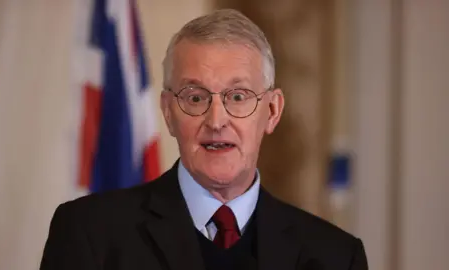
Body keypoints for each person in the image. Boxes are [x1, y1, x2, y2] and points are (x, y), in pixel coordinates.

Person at [40, 9, 368, 270]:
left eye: (238, 97)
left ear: (272, 111)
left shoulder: (335, 256)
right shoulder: (90, 234)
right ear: (168, 112)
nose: (216, 120)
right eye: (195, 98)